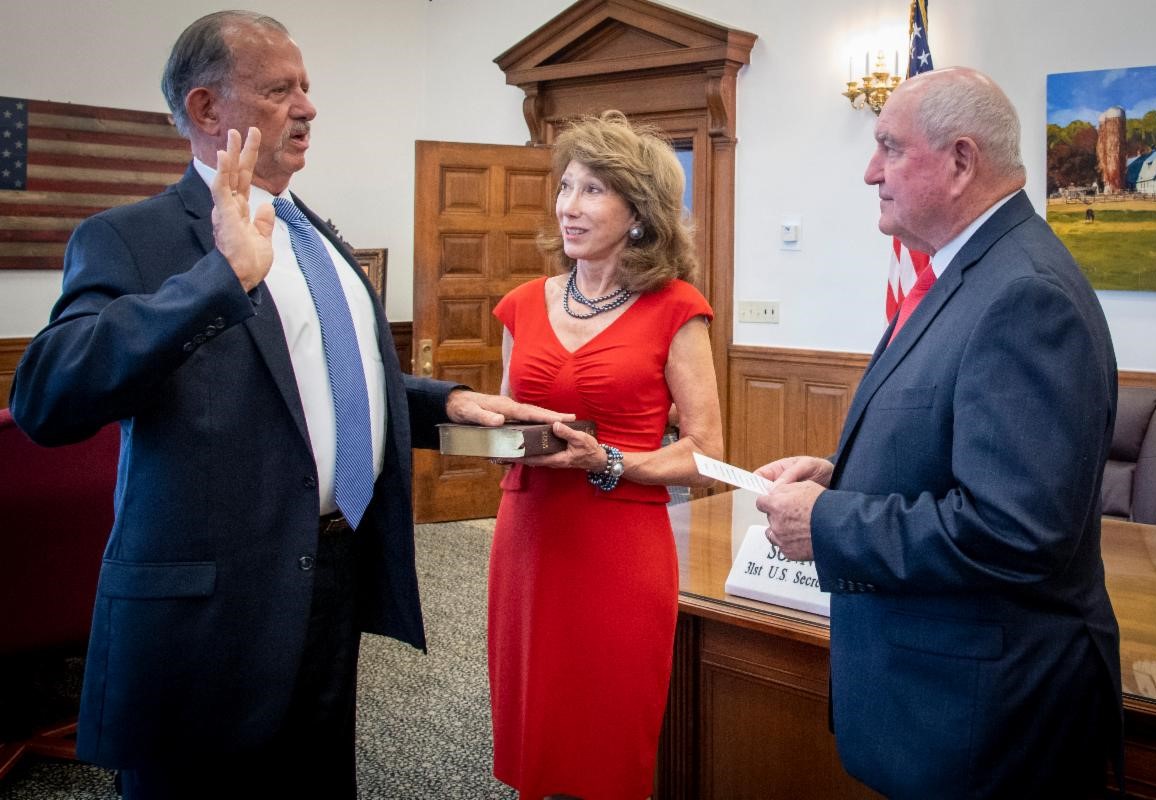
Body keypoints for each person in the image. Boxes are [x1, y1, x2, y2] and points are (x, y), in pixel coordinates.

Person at [7, 11, 567, 799]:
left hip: (329, 575)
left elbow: (325, 383)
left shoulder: (319, 238)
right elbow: (46, 397)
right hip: (210, 611)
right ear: (206, 111)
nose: (307, 107)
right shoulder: (130, 239)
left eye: (306, 87)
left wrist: (453, 402)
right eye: (279, 90)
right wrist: (219, 278)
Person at [754, 67, 1122, 798]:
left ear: (960, 161)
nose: (869, 171)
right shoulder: (963, 272)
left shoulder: (1023, 293)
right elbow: (954, 444)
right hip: (942, 698)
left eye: (889, 147)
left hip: (991, 717)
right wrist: (840, 476)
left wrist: (829, 523)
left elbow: (1014, 530)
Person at [487, 111, 723, 799]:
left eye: (592, 190)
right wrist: (493, 439)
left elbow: (706, 453)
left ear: (639, 210)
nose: (569, 205)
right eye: (565, 187)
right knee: (538, 728)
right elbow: (507, 425)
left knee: (607, 733)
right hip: (529, 539)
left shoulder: (677, 309)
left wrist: (608, 461)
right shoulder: (521, 305)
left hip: (620, 543)